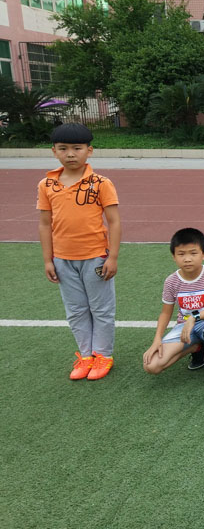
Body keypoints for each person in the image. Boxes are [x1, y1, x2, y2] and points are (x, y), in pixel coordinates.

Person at [37, 123, 120, 381]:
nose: (70, 154)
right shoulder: (47, 184)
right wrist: (48, 259)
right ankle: (86, 356)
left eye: (77, 148)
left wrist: (113, 257)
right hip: (62, 260)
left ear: (89, 151)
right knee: (75, 310)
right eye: (63, 148)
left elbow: (114, 221)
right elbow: (44, 224)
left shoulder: (101, 183)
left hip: (96, 257)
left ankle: (103, 355)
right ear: (54, 151)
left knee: (101, 309)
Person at [142, 228, 204, 393]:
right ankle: (195, 348)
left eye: (193, 253)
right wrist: (157, 339)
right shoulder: (171, 281)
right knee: (151, 366)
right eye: (181, 254)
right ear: (174, 256)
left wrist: (194, 317)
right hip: (184, 327)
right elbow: (165, 313)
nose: (187, 259)